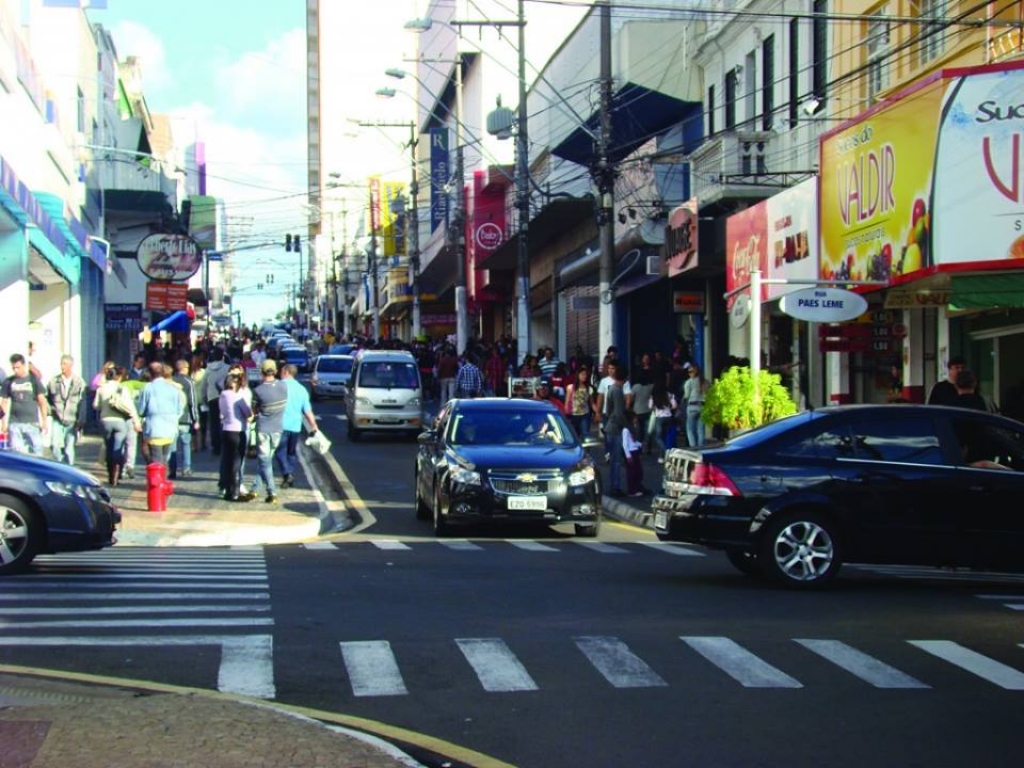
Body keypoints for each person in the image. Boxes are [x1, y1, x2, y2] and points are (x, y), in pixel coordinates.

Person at [93, 366, 141, 487]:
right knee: (118, 448)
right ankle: (117, 474)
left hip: (105, 421)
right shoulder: (122, 388)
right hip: (120, 421)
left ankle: (110, 475)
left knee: (108, 447)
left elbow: (96, 406)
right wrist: (136, 422)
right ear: (117, 376)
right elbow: (130, 407)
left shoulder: (101, 389)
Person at [273, 363, 319, 489]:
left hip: (280, 425)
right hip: (295, 426)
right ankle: (290, 473)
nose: (280, 374)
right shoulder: (302, 389)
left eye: (282, 371)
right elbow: (308, 411)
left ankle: (287, 473)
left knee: (279, 451)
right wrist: (314, 426)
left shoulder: (278, 386)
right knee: (291, 452)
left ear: (287, 372)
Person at [251, 359, 289, 503]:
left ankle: (271, 492)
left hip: (263, 430)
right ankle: (255, 488)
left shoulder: (258, 390)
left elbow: (254, 411)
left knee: (265, 462)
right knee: (265, 461)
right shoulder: (284, 387)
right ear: (276, 371)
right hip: (278, 429)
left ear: (262, 372)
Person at [136, 362, 186, 468]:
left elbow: (141, 410)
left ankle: (158, 481)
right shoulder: (173, 389)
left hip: (154, 428)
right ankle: (163, 480)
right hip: (170, 428)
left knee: (156, 458)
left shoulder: (147, 388)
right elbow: (179, 409)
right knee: (164, 457)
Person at [0, 353, 49, 456]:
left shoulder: (33, 380)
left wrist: (44, 421)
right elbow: (4, 402)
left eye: (18, 367)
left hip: (32, 422)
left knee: (37, 451)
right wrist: (3, 423)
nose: (15, 370)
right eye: (13, 368)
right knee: (17, 453)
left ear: (23, 365)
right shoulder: (9, 382)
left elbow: (42, 401)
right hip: (14, 423)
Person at [218, 372, 254, 502]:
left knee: (227, 461)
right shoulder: (238, 397)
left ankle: (227, 489)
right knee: (237, 462)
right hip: (238, 431)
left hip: (226, 430)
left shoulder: (222, 396)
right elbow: (248, 413)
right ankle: (235, 491)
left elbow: (222, 413)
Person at [46, 354, 88, 465]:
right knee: (55, 445)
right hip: (57, 418)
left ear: (71, 365)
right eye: (61, 363)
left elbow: (83, 403)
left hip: (72, 419)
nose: (62, 366)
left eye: (64, 364)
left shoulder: (79, 382)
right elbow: (47, 398)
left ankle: (69, 468)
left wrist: (81, 420)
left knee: (69, 448)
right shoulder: (54, 381)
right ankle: (59, 466)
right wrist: (50, 410)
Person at [168, 359, 200, 479]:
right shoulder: (188, 382)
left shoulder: (170, 381)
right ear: (185, 368)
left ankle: (172, 469)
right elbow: (193, 401)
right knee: (186, 444)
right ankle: (186, 468)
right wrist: (195, 419)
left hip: (172, 418)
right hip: (185, 418)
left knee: (173, 445)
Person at [602, 362, 630, 497]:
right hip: (616, 428)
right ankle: (616, 486)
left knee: (613, 459)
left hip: (609, 426)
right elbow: (619, 413)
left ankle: (614, 485)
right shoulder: (618, 391)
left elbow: (608, 410)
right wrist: (628, 426)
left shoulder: (611, 388)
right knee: (617, 460)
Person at [200, 347, 231, 455]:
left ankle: (215, 446)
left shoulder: (208, 369)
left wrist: (204, 398)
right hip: (226, 397)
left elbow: (204, 385)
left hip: (212, 398)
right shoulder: (228, 368)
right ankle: (225, 443)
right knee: (226, 421)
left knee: (214, 423)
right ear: (223, 356)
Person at [647, 378, 677, 463]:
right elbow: (674, 406)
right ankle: (662, 456)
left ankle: (665, 451)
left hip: (659, 417)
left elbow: (649, 407)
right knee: (665, 436)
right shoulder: (669, 395)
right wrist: (669, 408)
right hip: (669, 417)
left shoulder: (654, 396)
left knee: (658, 437)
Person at [564, 366, 596, 438]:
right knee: (574, 435)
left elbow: (592, 403)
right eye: (582, 374)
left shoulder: (589, 388)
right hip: (573, 415)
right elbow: (567, 402)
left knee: (585, 434)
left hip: (585, 414)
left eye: (585, 374)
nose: (584, 376)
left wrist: (597, 413)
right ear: (578, 375)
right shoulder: (570, 387)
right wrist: (566, 415)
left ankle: (586, 449)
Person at [683, 363, 709, 447]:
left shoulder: (689, 382)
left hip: (692, 406)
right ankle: (701, 447)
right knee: (700, 429)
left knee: (690, 429)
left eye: (690, 372)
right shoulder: (706, 382)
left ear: (694, 372)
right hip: (703, 406)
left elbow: (687, 396)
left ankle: (693, 447)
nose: (689, 373)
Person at [622, 410, 646, 497]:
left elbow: (633, 441)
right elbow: (625, 444)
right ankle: (632, 490)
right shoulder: (626, 430)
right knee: (632, 472)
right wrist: (628, 455)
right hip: (631, 453)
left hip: (635, 451)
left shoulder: (632, 428)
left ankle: (637, 487)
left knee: (638, 471)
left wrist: (639, 444)